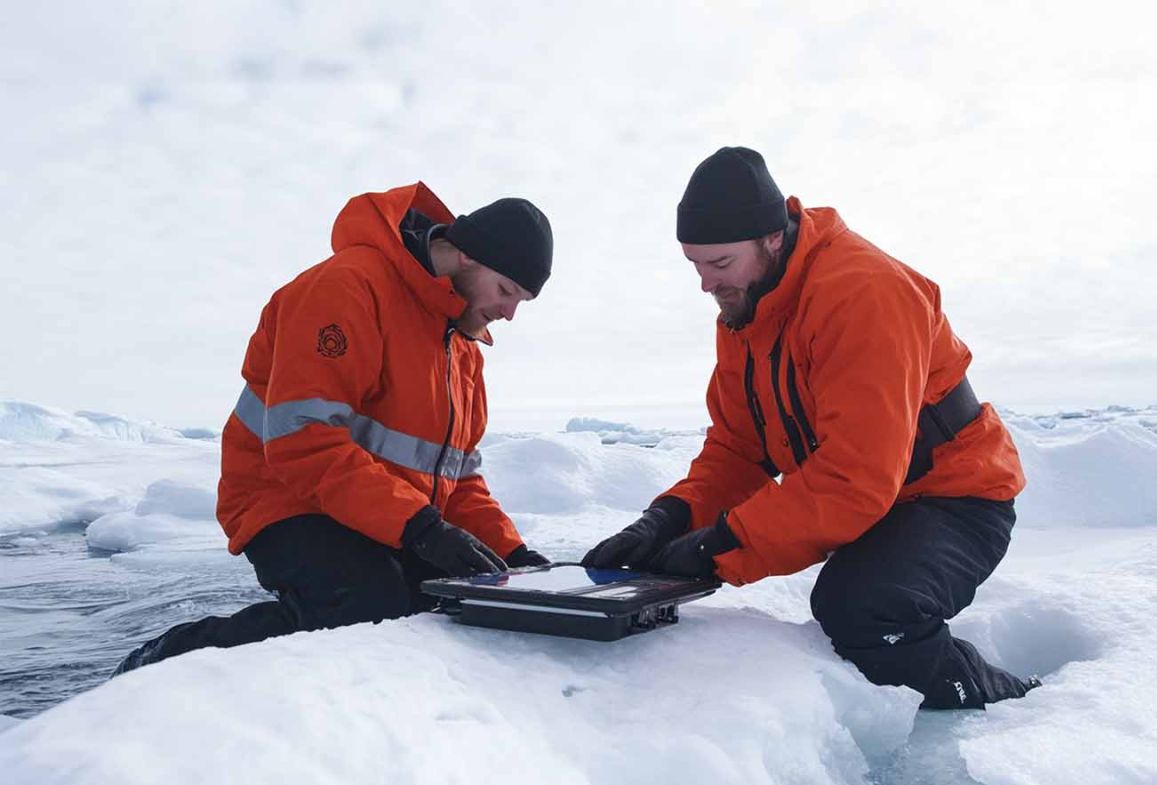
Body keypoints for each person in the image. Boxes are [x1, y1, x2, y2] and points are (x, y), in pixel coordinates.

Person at [583, 147, 1038, 709]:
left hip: (956, 495)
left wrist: (720, 546)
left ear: (772, 238)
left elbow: (856, 477)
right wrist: (671, 519)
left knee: (864, 609)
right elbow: (739, 451)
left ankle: (1008, 702)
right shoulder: (748, 311)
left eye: (719, 264)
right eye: (695, 265)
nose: (705, 284)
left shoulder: (864, 293)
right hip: (879, 497)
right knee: (847, 601)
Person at [114, 182, 552, 674]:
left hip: (386, 516)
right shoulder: (349, 287)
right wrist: (422, 529)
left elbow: (459, 476)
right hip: (284, 498)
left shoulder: (460, 345)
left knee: (447, 604)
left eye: (522, 301)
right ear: (469, 257)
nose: (509, 314)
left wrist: (513, 556)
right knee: (365, 612)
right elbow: (304, 441)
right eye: (507, 291)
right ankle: (169, 662)